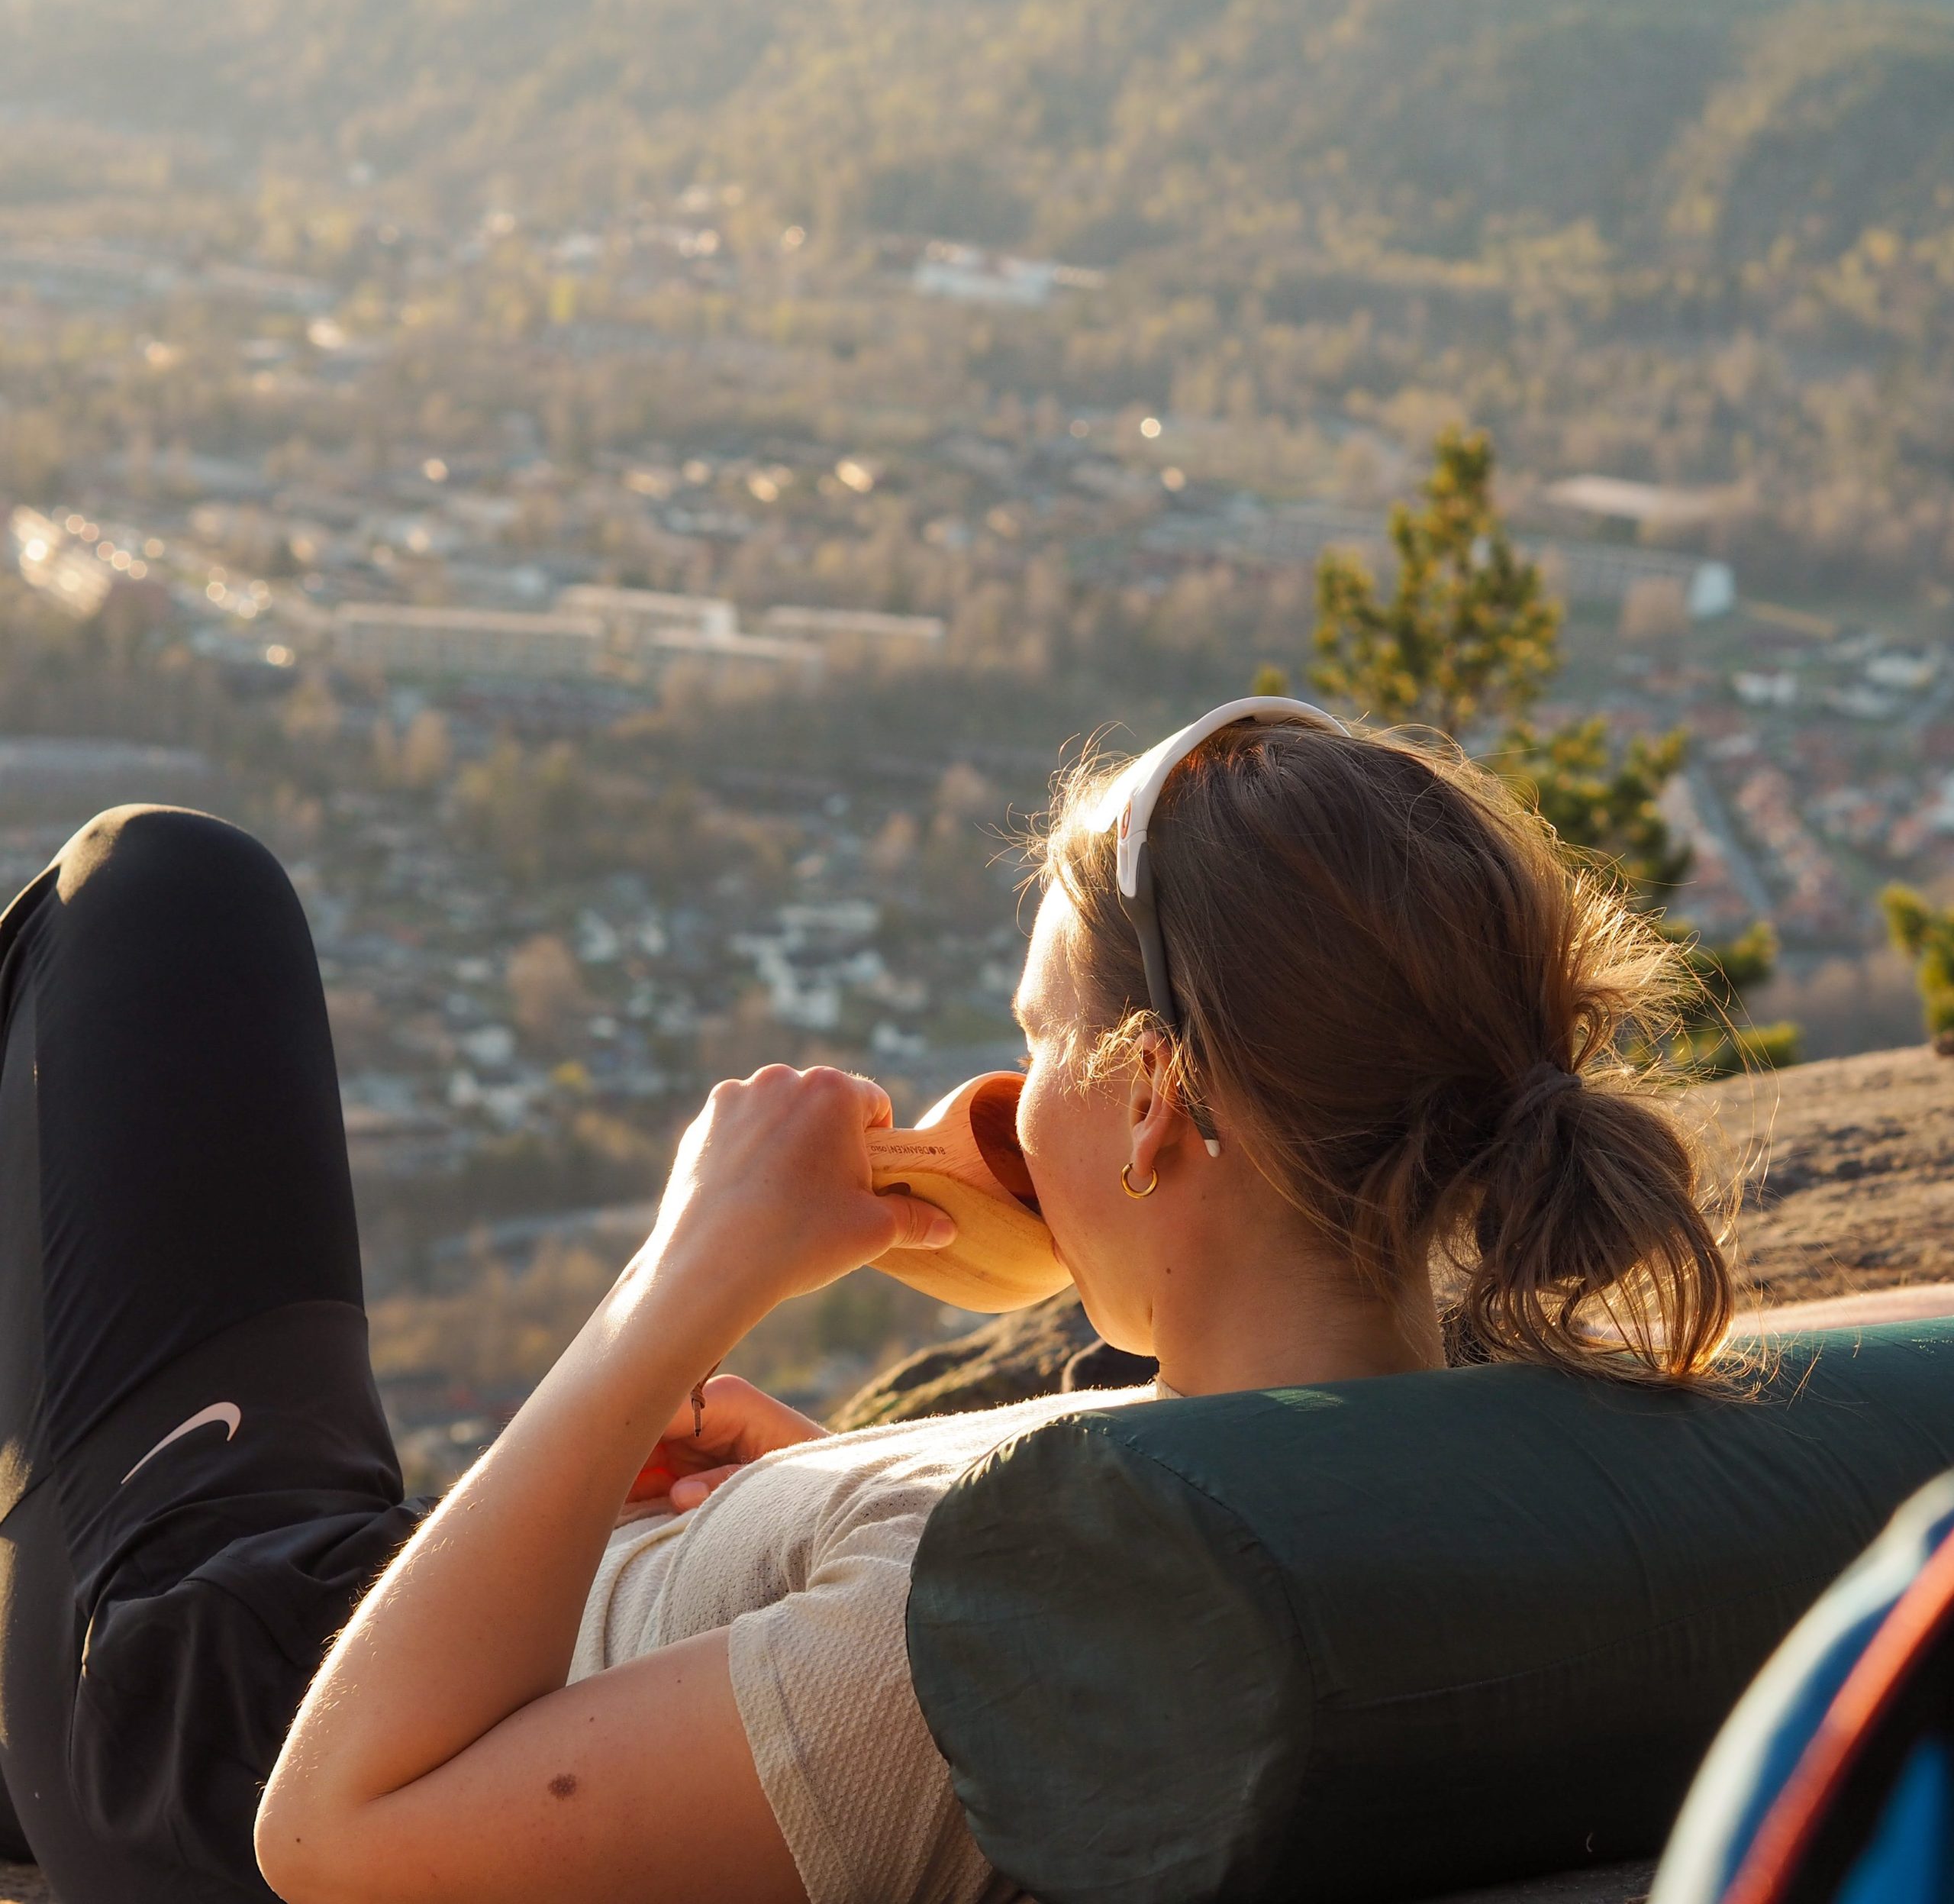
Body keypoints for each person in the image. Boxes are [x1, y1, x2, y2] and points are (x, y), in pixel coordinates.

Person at [0, 700, 1740, 1904]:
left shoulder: (984, 1646)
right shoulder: (1431, 1458)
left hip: (204, 1718)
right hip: (418, 1625)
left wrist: (678, 1285)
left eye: (1039, 1040)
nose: (1009, 1097)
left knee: (158, 889)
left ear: (1151, 1100)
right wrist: (796, 1501)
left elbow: (331, 1834)